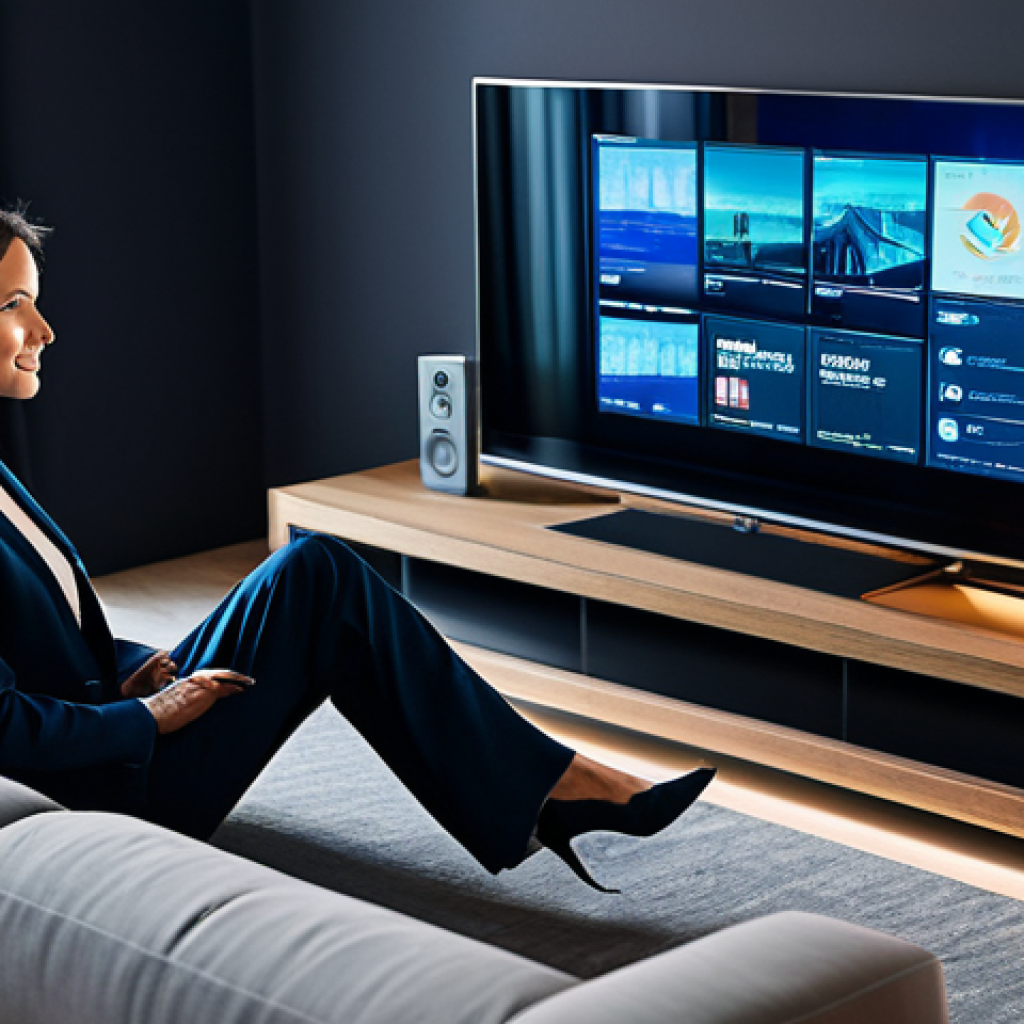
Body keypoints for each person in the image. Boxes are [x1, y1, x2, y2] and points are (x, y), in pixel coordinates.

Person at [0, 206, 714, 892]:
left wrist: (130, 668)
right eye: (14, 306)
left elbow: (41, 641)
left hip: (109, 721)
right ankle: (557, 788)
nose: (45, 330)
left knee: (314, 571)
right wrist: (148, 717)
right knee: (323, 586)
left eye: (35, 301)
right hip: (111, 788)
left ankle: (549, 784)